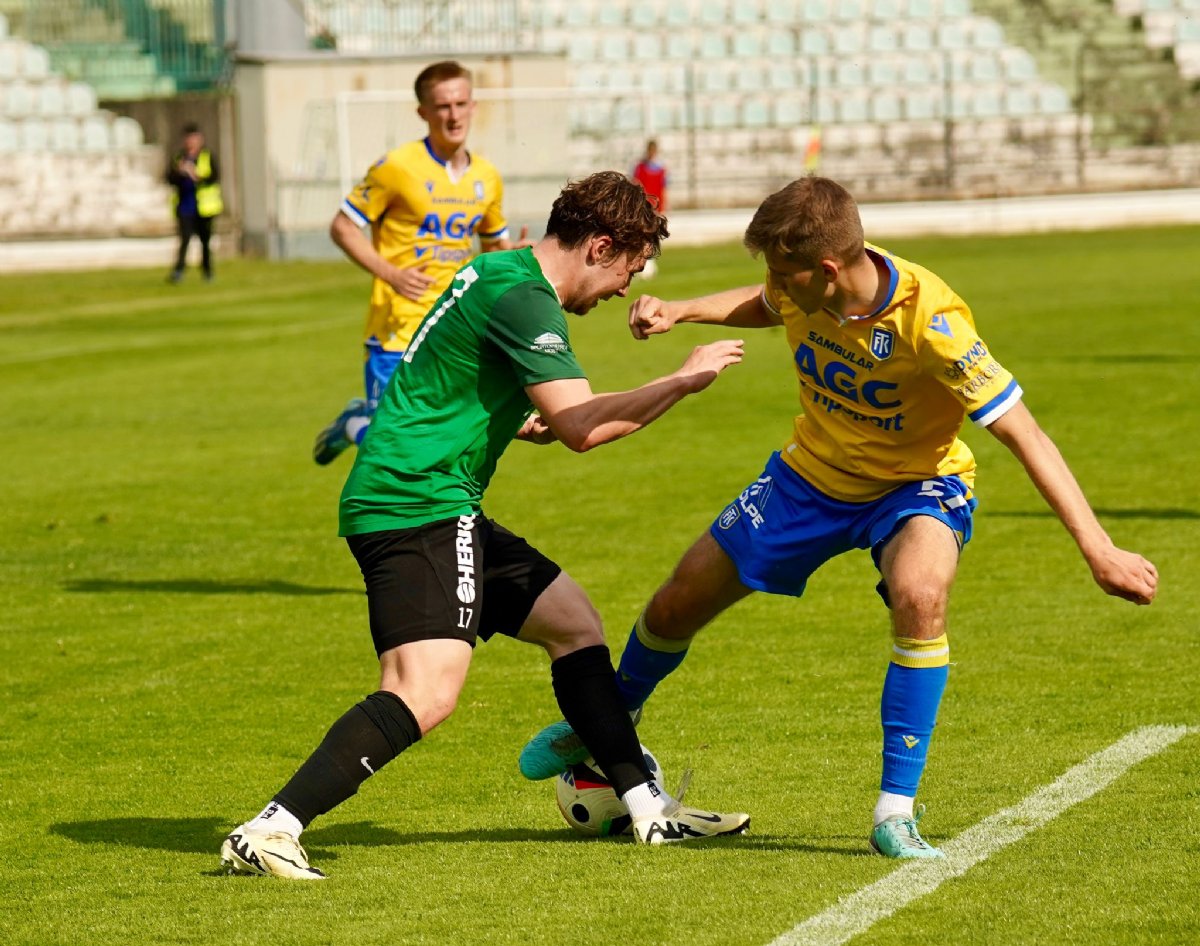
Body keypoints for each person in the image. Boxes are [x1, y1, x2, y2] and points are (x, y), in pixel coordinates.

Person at [517, 176, 1159, 859]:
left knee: (921, 594)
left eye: (782, 273)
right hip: (810, 476)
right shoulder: (805, 286)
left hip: (917, 485)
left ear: (826, 271)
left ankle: (894, 813)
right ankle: (609, 718)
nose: (773, 286)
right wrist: (683, 311)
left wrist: (1099, 548)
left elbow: (1025, 433)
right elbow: (764, 303)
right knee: (678, 601)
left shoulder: (933, 324)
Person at [220, 171, 751, 880]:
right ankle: (271, 828)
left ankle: (646, 807)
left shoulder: (501, 271)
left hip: (435, 497)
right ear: (600, 247)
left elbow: (460, 373)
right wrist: (682, 380)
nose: (625, 286)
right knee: (424, 690)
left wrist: (515, 416)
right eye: (629, 267)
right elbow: (583, 428)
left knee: (573, 623)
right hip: (417, 503)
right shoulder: (527, 298)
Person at [313, 60, 529, 466]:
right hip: (397, 324)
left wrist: (513, 253)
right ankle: (355, 423)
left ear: (473, 106)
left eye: (461, 104)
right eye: (443, 106)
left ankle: (362, 426)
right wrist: (391, 274)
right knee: (392, 443)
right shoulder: (396, 167)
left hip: (454, 323)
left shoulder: (487, 177)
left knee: (436, 440)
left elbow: (491, 249)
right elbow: (343, 226)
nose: (453, 115)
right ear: (423, 112)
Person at [166, 122, 222, 283]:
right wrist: (180, 172)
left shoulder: (207, 156)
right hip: (185, 205)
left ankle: (207, 271)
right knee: (184, 239)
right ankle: (179, 271)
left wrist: (196, 175)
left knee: (205, 241)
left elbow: (214, 177)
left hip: (205, 207)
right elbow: (169, 178)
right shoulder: (179, 157)